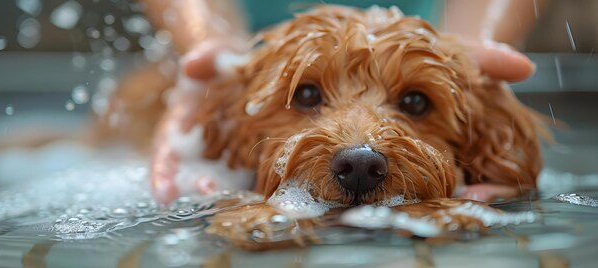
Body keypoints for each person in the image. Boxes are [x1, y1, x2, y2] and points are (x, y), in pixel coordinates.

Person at [142, 0, 541, 204]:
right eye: (308, 95)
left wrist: (481, 44)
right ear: (234, 127)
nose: (360, 150)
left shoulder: (482, 125)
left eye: (414, 103)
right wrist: (204, 45)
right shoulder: (222, 116)